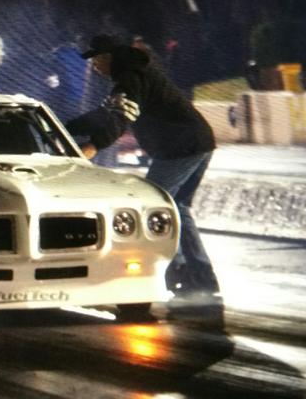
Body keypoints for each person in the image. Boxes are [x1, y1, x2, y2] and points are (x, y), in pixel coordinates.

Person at [64, 35, 221, 305]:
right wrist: (64, 129)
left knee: (154, 204)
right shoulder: (132, 75)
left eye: (96, 60)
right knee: (177, 207)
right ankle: (199, 276)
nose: (95, 67)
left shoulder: (131, 79)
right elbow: (104, 114)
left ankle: (182, 271)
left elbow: (121, 117)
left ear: (108, 57)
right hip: (197, 142)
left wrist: (93, 147)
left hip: (181, 148)